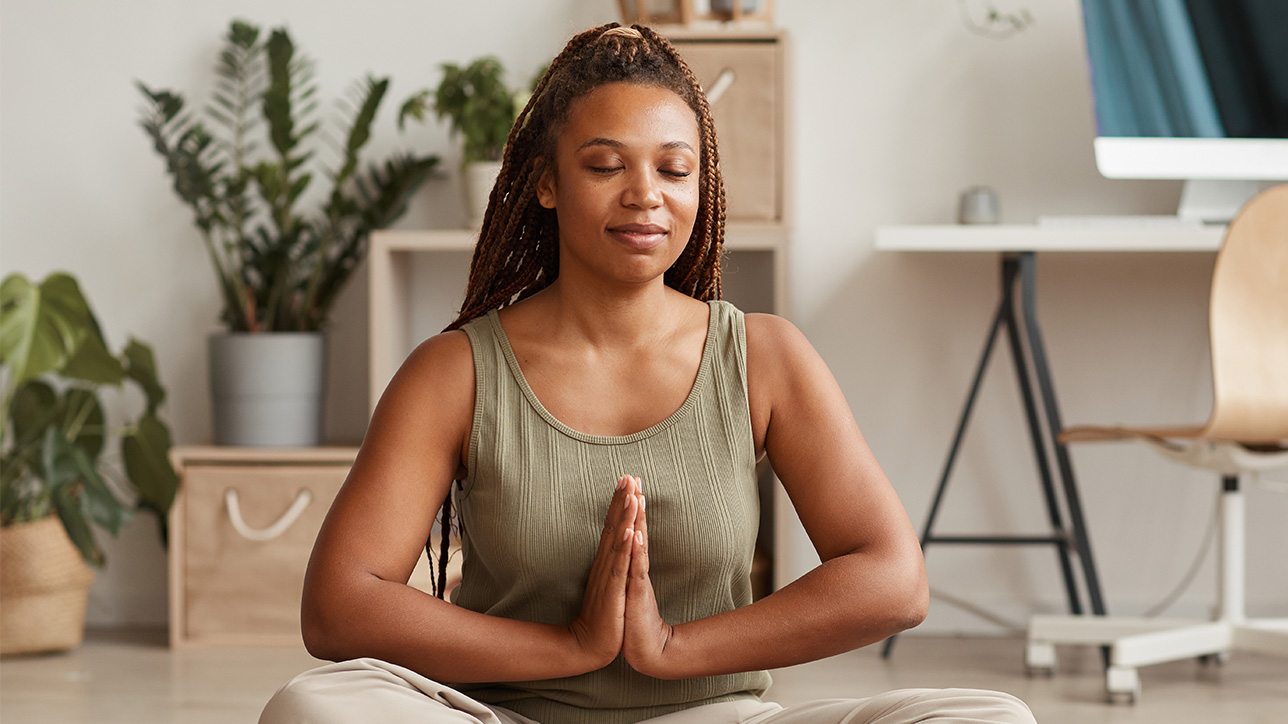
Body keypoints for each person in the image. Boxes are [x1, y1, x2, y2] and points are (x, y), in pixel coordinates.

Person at [260, 23, 1036, 724]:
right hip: (505, 720)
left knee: (992, 720)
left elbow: (894, 579)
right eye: (606, 165)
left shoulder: (763, 356)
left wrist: (670, 649)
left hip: (712, 718)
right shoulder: (455, 370)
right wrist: (569, 647)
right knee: (314, 707)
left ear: (703, 187)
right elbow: (339, 605)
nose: (646, 196)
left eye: (675, 169)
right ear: (547, 182)